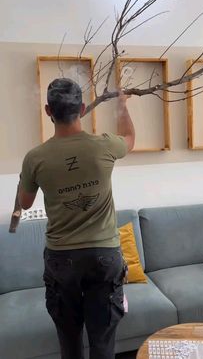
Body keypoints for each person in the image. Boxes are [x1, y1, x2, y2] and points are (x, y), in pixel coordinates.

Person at [18, 78, 135, 359]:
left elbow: (24, 203)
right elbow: (129, 138)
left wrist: (27, 177)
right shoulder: (103, 145)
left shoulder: (35, 158)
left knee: (69, 341)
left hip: (61, 259)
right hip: (104, 256)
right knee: (102, 341)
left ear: (49, 111)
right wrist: (122, 104)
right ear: (82, 109)